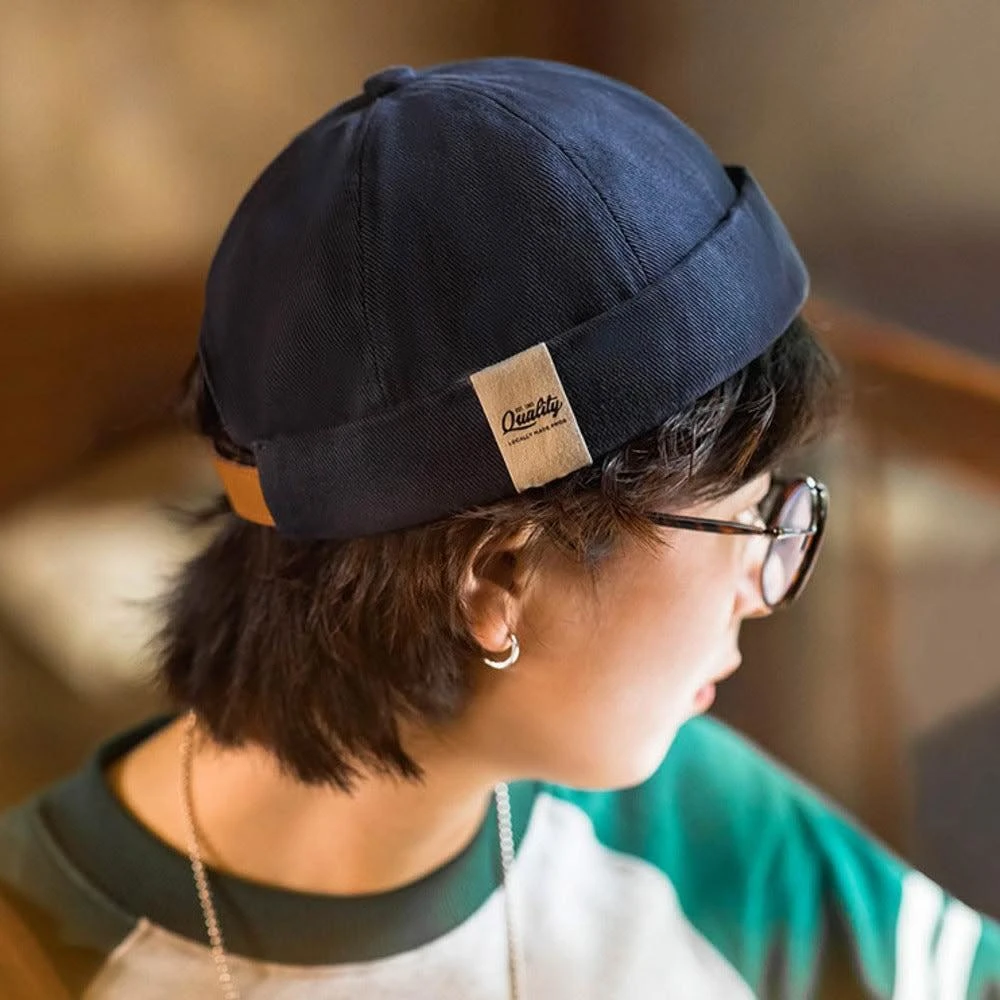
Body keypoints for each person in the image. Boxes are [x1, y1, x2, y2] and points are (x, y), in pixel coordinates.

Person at [0, 57, 996, 1000]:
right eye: (748, 523)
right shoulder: (37, 947)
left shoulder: (695, 825)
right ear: (497, 580)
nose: (765, 589)